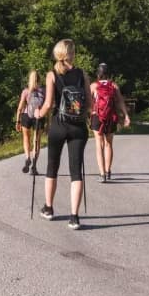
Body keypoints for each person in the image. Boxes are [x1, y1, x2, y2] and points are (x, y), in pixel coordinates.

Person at [34, 39, 89, 230]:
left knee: (52, 167)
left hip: (59, 124)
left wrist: (38, 114)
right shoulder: (82, 74)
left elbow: (48, 104)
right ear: (71, 53)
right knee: (76, 171)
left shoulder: (52, 74)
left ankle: (48, 208)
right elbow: (89, 102)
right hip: (78, 127)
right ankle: (74, 217)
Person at [90, 63, 131, 182]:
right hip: (111, 117)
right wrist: (126, 116)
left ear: (98, 73)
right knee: (109, 144)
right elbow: (120, 102)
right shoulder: (114, 85)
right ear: (108, 73)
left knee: (99, 145)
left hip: (97, 117)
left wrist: (90, 112)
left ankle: (102, 174)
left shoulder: (93, 86)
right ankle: (108, 171)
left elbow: (88, 102)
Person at [15, 70, 46, 174]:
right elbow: (48, 108)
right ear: (39, 79)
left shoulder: (26, 91)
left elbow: (20, 107)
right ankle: (34, 166)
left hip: (26, 115)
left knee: (26, 138)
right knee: (36, 141)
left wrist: (17, 121)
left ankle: (27, 157)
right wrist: (49, 122)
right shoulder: (43, 91)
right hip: (39, 116)